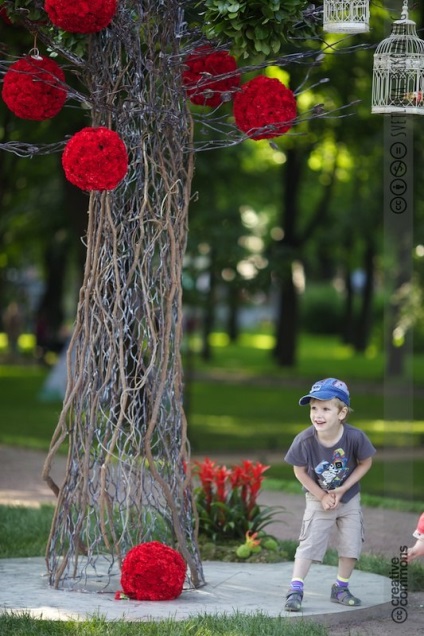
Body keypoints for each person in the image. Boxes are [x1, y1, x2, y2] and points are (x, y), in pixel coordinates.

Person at [283, 377, 376, 612]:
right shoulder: (304, 440)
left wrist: (344, 488)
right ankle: (295, 589)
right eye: (314, 408)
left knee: (351, 544)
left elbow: (366, 462)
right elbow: (299, 471)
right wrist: (321, 495)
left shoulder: (355, 437)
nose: (318, 414)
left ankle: (340, 588)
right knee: (310, 542)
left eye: (325, 408)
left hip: (349, 498)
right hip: (318, 498)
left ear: (342, 413)